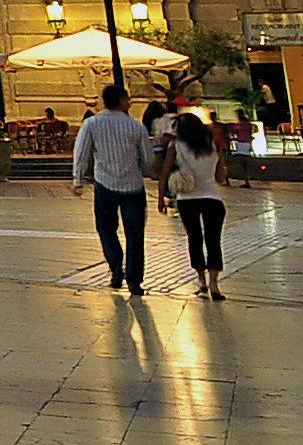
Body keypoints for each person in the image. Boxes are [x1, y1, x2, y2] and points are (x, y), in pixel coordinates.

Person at [72, 82, 152, 293]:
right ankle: (134, 279)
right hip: (133, 186)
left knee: (106, 228)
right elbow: (147, 159)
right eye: (128, 99)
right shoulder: (137, 126)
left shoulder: (91, 124)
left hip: (105, 184)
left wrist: (77, 180)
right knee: (135, 233)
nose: (130, 102)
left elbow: (81, 153)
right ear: (121, 101)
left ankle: (116, 264)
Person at [162, 105, 230, 299]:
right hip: (212, 197)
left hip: (187, 199)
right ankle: (215, 283)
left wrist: (160, 197)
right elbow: (221, 177)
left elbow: (165, 172)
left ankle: (201, 280)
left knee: (194, 238)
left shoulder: (176, 147)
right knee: (213, 240)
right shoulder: (214, 145)